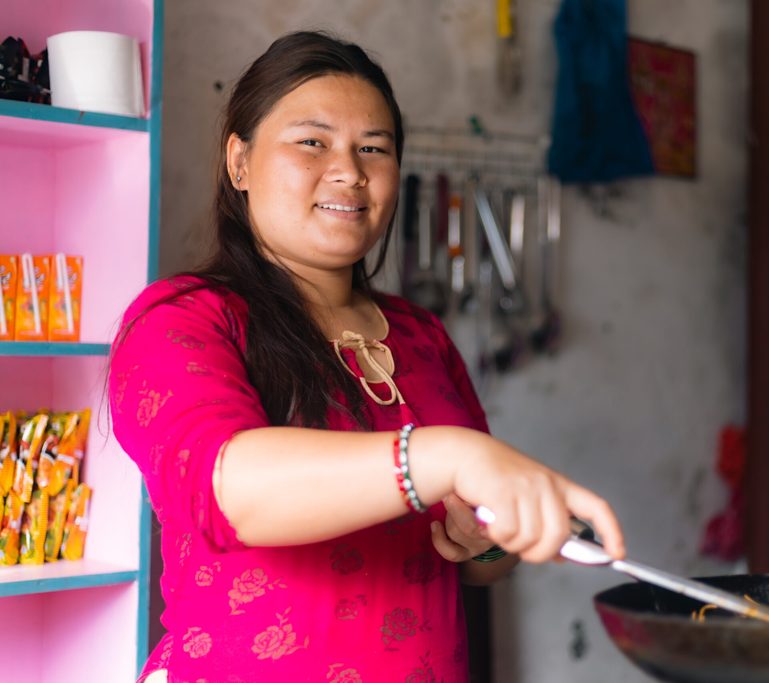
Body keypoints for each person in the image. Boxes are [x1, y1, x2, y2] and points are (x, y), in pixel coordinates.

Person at [109, 30, 625, 683]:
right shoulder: (180, 318)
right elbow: (229, 489)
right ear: (239, 161)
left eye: (373, 149)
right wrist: (447, 455)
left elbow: (480, 561)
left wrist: (492, 536)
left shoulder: (419, 334)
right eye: (312, 141)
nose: (349, 170)